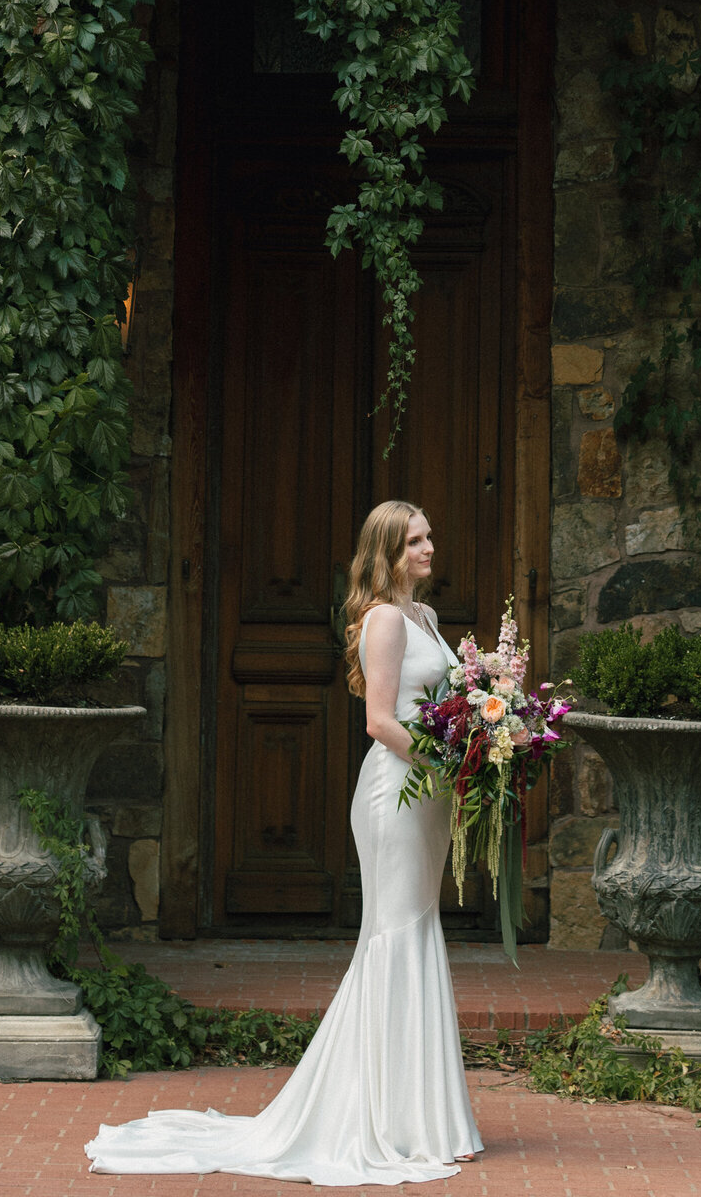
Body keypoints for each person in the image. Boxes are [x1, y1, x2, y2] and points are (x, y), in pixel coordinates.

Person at [86, 499, 483, 1183]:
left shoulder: (428, 619)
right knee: (394, 936)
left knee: (418, 933)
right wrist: (449, 760)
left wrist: (477, 743)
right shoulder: (386, 620)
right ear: (387, 554)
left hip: (430, 801)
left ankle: (427, 1117)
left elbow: (444, 708)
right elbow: (381, 722)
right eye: (415, 540)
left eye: (429, 537)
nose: (429, 548)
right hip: (397, 795)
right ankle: (391, 1121)